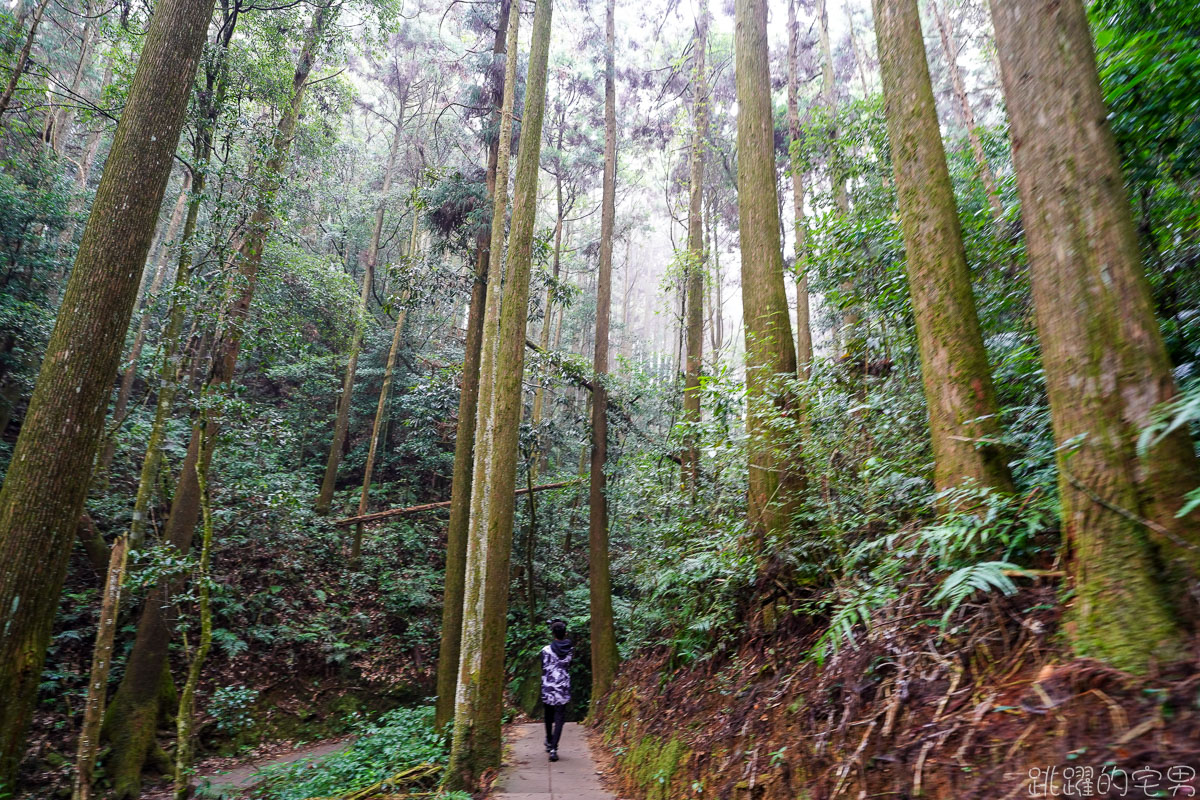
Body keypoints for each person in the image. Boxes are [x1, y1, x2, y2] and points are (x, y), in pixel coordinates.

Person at [541, 618, 573, 762]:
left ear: (553, 633)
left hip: (548, 685)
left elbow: (543, 666)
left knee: (548, 714)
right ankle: (554, 748)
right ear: (564, 633)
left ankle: (548, 740)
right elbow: (569, 665)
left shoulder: (545, 650)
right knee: (560, 718)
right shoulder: (570, 649)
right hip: (563, 686)